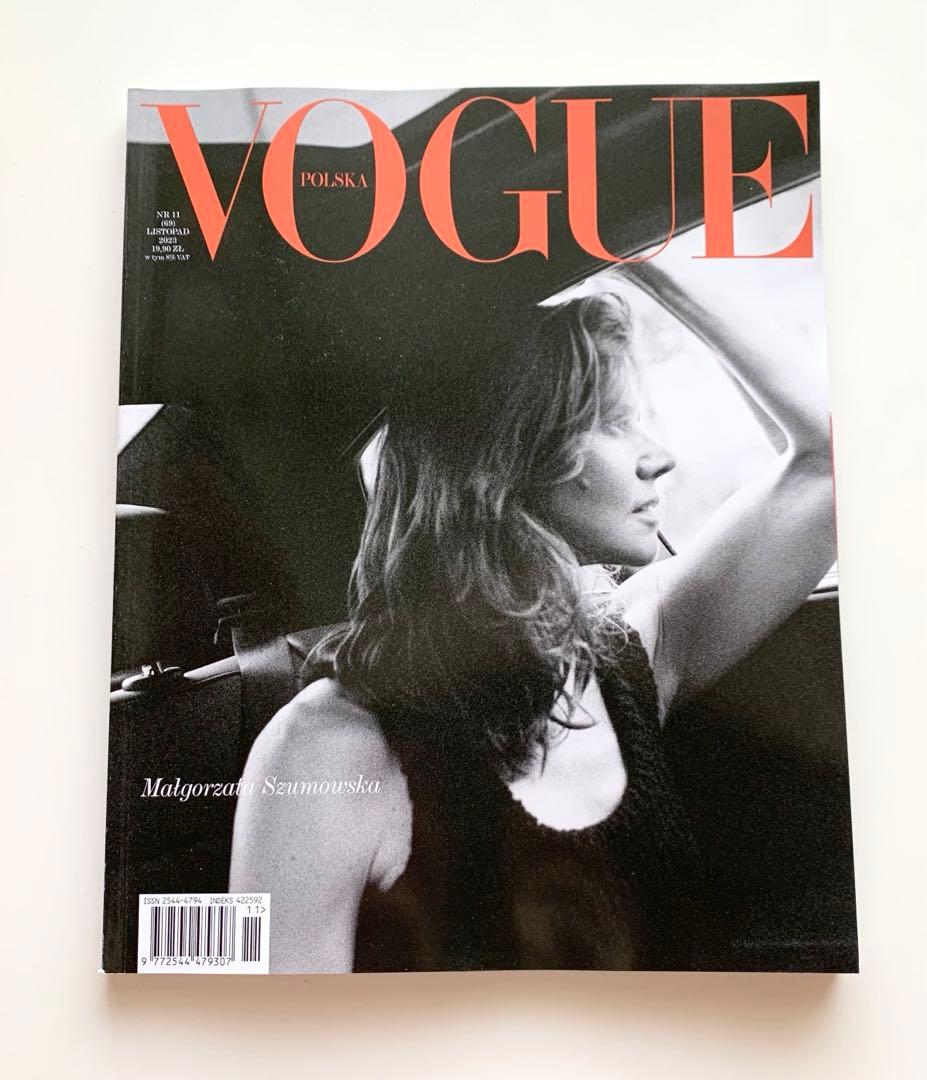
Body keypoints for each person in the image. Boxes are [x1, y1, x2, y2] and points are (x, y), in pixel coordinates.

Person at [229, 261, 836, 973]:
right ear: (503, 460)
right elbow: (279, 1029)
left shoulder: (626, 649)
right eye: (612, 423)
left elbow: (832, 463)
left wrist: (643, 256)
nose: (660, 458)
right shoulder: (325, 748)